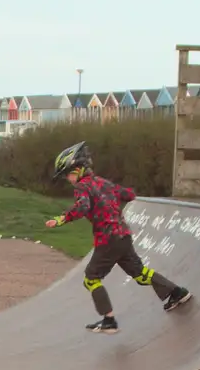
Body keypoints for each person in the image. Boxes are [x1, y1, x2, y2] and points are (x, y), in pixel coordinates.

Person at [43, 142, 190, 333]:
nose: (68, 179)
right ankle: (177, 292)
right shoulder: (104, 183)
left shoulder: (82, 187)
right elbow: (128, 194)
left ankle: (109, 320)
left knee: (91, 278)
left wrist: (61, 219)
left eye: (68, 174)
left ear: (78, 170)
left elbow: (82, 207)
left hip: (108, 240)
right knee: (140, 274)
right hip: (123, 236)